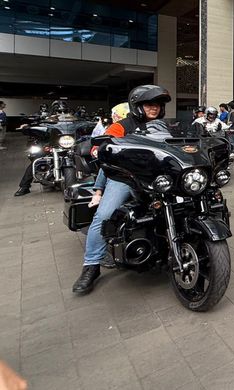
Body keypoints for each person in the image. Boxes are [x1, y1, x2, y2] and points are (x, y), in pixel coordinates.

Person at [72, 84, 172, 295]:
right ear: (137, 106)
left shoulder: (166, 126)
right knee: (105, 215)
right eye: (149, 104)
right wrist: (99, 149)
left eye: (158, 104)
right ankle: (91, 266)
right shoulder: (122, 126)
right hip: (127, 178)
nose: (154, 107)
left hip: (160, 179)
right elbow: (100, 147)